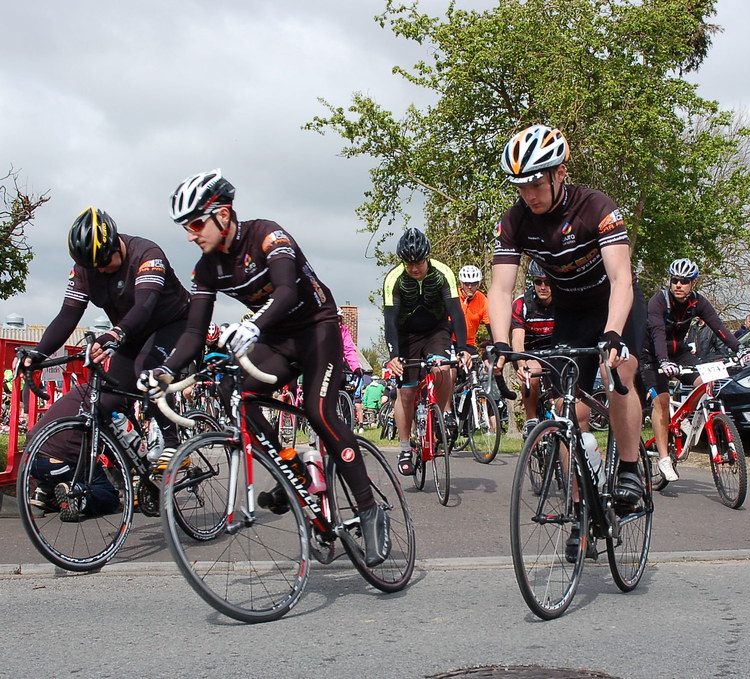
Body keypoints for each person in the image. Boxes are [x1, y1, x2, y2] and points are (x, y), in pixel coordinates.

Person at [139, 169, 389, 566]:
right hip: (276, 338)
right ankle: (294, 469)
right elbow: (193, 330)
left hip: (316, 329)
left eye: (196, 223)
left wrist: (252, 326)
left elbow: (287, 290)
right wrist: (165, 370)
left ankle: (370, 509)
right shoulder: (206, 268)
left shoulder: (268, 236)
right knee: (235, 394)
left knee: (319, 410)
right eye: (185, 227)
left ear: (223, 214)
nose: (190, 234)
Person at [488, 123, 648, 557]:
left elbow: (621, 278)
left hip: (615, 305)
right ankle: (581, 506)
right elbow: (501, 289)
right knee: (562, 411)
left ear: (560, 172)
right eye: (520, 187)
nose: (529, 196)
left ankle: (631, 469)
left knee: (620, 368)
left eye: (537, 184)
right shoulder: (515, 221)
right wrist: (502, 345)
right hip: (572, 313)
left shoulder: (596, 206)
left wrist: (614, 334)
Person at [16, 207, 191, 518]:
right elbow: (69, 314)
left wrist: (115, 332)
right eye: (94, 267)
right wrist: (38, 354)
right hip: (131, 333)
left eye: (106, 263)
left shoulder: (147, 254)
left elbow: (146, 305)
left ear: (116, 244)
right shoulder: (86, 269)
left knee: (146, 372)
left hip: (173, 325)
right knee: (109, 400)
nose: (103, 271)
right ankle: (134, 469)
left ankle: (174, 445)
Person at [639, 258, 741, 482]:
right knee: (662, 402)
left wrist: (739, 348)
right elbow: (657, 333)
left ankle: (684, 416)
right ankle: (664, 458)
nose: (678, 285)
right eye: (674, 280)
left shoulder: (698, 302)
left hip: (680, 351)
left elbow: (718, 326)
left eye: (684, 281)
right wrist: (664, 362)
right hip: (652, 354)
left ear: (693, 283)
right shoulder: (659, 300)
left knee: (706, 382)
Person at [383, 227, 472, 476]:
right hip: (406, 335)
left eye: (419, 262)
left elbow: (456, 312)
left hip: (436, 330)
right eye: (409, 263)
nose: (414, 268)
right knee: (407, 392)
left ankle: (443, 414)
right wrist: (393, 356)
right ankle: (404, 448)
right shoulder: (394, 279)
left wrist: (463, 348)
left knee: (443, 367)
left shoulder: (443, 273)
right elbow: (390, 321)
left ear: (427, 257)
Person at [511, 259, 556, 435]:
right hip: (530, 353)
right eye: (538, 281)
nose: (543, 286)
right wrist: (522, 365)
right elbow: (517, 339)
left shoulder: (563, 303)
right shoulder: (522, 304)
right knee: (532, 373)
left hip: (555, 351)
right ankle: (531, 419)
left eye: (547, 282)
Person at [457, 265, 491, 353]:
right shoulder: (454, 296)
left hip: (469, 343)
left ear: (478, 284)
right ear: (461, 283)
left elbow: (489, 324)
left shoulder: (482, 299)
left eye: (474, 283)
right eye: (467, 283)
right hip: (450, 341)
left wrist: (495, 343)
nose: (470, 287)